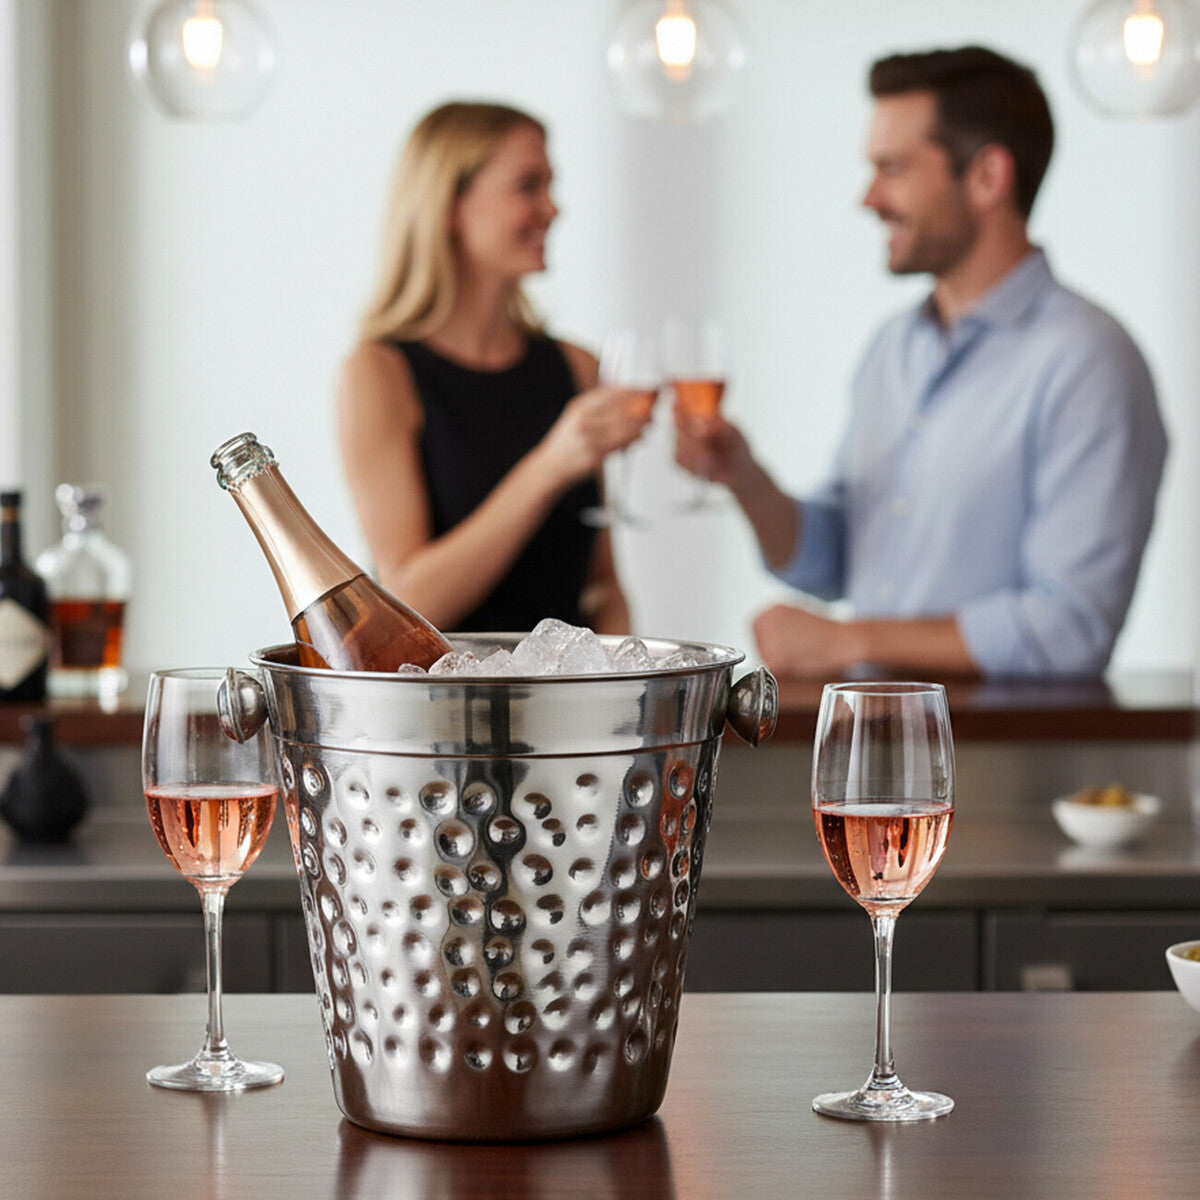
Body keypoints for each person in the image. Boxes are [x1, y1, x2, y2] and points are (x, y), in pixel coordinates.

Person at [675, 46, 1167, 680]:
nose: (869, 198)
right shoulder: (893, 347)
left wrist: (847, 641)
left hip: (992, 761)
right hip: (870, 752)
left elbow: (1071, 629)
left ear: (988, 177)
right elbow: (831, 560)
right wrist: (745, 479)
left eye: (894, 168)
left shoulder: (1088, 361)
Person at [337, 102, 652, 635]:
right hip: (440, 710)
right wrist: (549, 466)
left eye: (551, 185)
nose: (553, 209)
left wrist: (625, 698)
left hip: (567, 708)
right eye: (529, 185)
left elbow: (603, 588)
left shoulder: (576, 368)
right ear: (449, 206)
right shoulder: (377, 375)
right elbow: (408, 602)